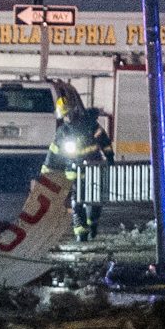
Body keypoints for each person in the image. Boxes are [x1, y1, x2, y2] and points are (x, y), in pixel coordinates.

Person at [44, 93, 114, 242]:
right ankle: (81, 232)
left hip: (93, 170)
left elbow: (103, 140)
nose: (67, 118)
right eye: (64, 116)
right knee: (77, 202)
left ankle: (92, 224)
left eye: (68, 114)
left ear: (74, 111)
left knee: (95, 200)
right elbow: (54, 153)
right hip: (74, 173)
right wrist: (46, 172)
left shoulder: (89, 123)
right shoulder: (62, 132)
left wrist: (109, 157)